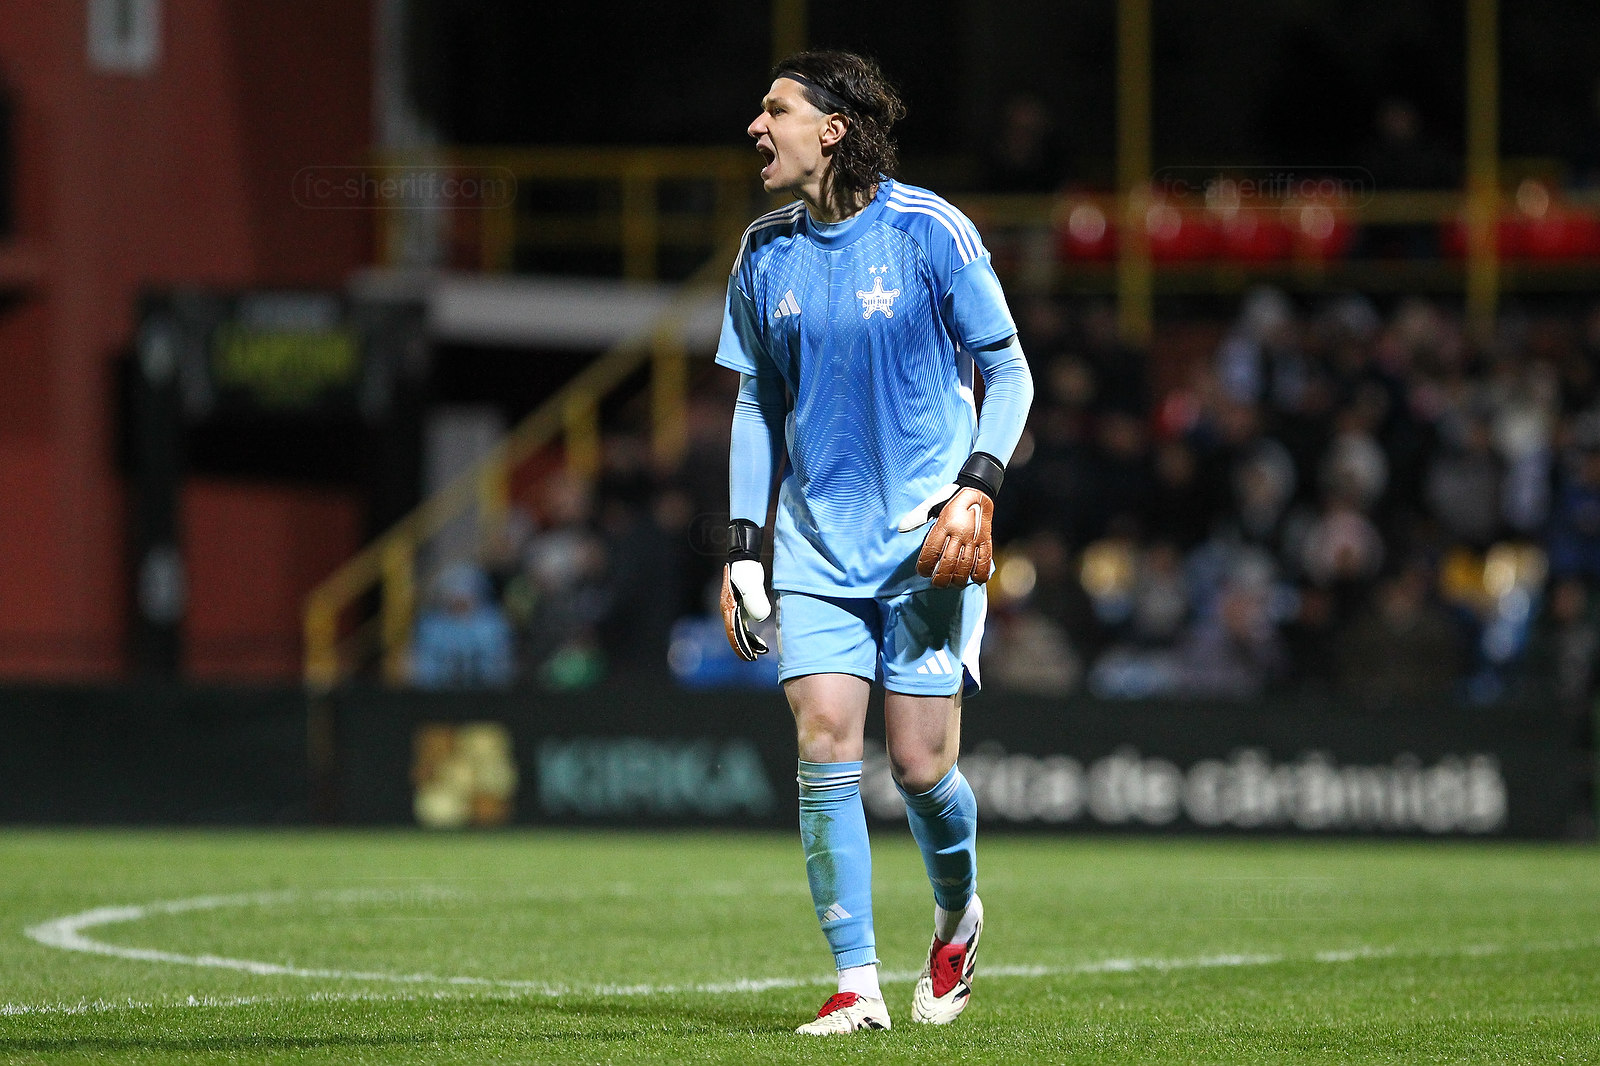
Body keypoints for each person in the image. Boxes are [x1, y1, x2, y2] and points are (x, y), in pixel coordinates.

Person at [714, 51, 1034, 1034]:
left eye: (774, 110)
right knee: (822, 741)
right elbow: (755, 403)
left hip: (925, 543)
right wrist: (742, 547)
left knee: (921, 768)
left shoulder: (930, 230)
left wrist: (977, 488)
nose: (756, 127)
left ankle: (956, 916)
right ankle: (857, 984)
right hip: (815, 547)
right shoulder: (762, 251)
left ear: (833, 129)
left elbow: (1010, 370)